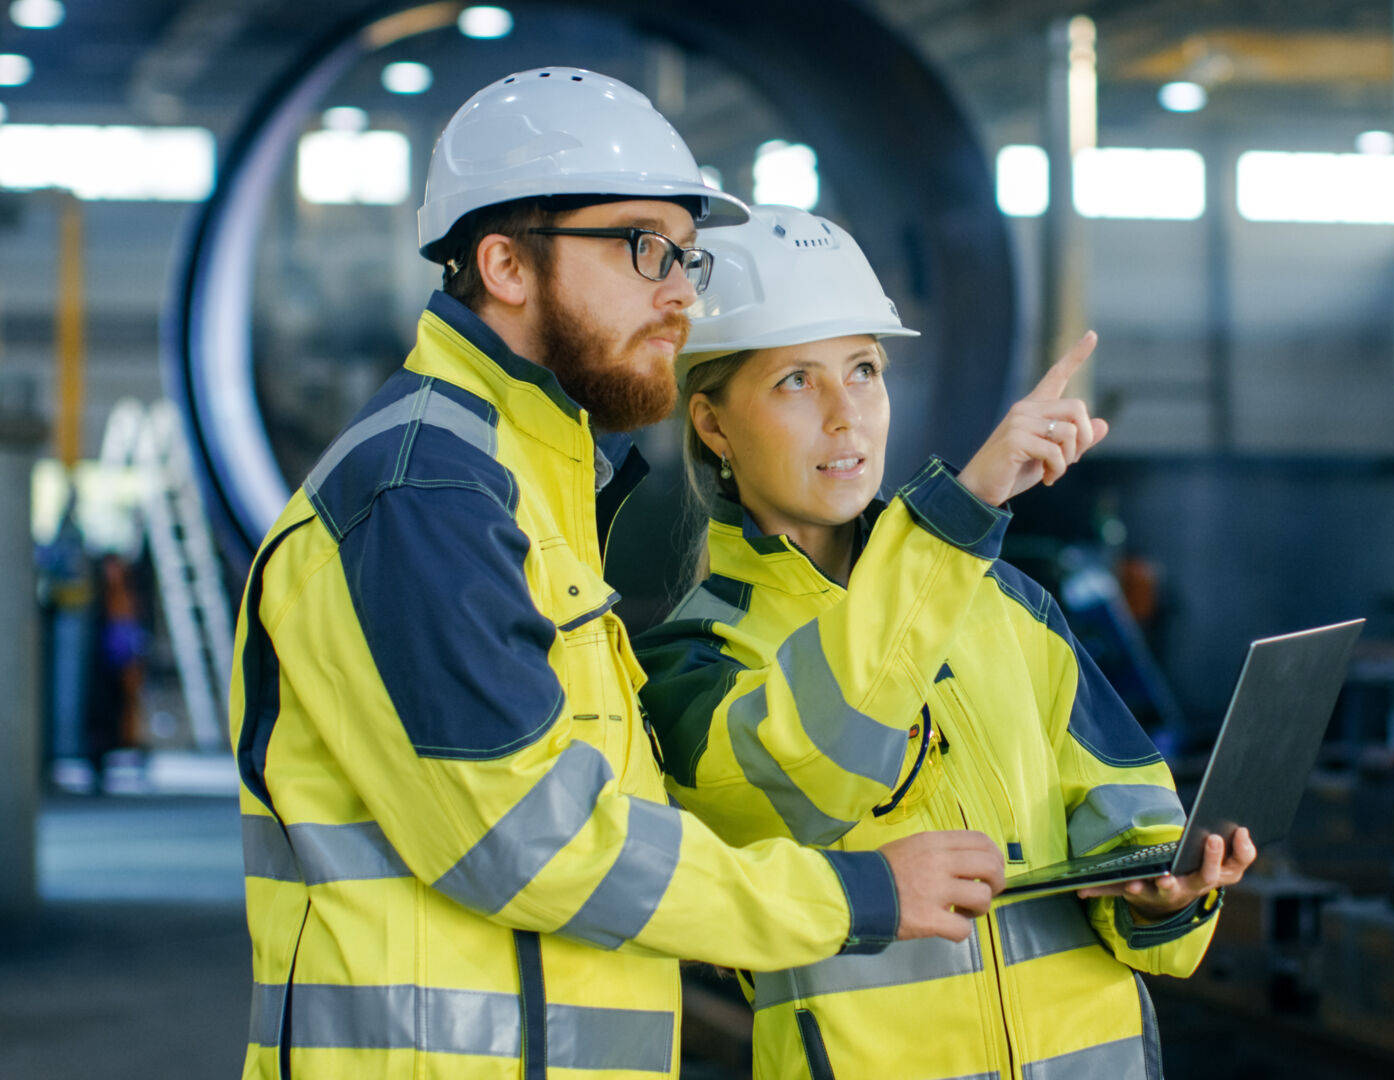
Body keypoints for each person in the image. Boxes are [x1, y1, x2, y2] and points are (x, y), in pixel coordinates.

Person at [228, 70, 1004, 1080]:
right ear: (506, 264)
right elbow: (527, 842)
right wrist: (851, 897)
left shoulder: (526, 479)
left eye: (685, 255)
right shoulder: (426, 492)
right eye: (644, 247)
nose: (681, 292)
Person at [632, 205, 1257, 1080]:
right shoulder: (691, 662)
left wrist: (1163, 892)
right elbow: (816, 772)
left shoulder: (1005, 603)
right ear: (711, 425)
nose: (847, 417)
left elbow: (1127, 805)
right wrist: (963, 509)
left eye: (863, 371)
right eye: (795, 383)